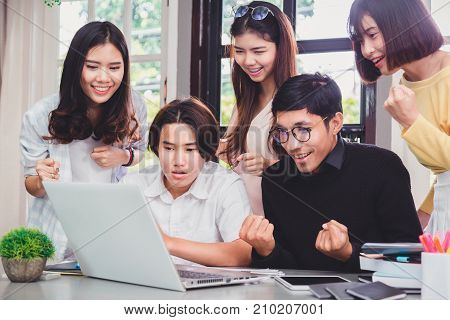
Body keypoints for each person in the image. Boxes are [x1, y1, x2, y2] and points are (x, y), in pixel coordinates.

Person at [239, 73, 422, 272]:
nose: (291, 145)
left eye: (303, 130)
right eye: (282, 132)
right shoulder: (275, 178)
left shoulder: (382, 167)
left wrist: (350, 253)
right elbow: (288, 270)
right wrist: (266, 250)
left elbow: (411, 258)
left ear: (335, 123)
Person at [20, 21, 148, 261]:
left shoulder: (134, 106)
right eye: (92, 66)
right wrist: (42, 179)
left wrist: (124, 156)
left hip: (110, 232)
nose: (103, 78)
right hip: (56, 234)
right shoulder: (41, 114)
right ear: (76, 66)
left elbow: (140, 152)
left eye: (114, 67)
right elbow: (31, 185)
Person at [348, 0, 450, 234]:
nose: (366, 50)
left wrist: (411, 121)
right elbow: (445, 174)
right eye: (361, 40)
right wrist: (422, 221)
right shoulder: (406, 87)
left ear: (402, 22)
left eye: (372, 34)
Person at [121, 98, 251, 267]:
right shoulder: (132, 186)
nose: (178, 161)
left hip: (209, 291)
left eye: (190, 149)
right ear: (156, 147)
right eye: (169, 148)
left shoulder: (226, 185)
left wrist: (168, 243)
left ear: (205, 151)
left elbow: (242, 254)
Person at [218, 1, 298, 215]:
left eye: (258, 51)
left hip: (280, 221)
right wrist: (224, 150)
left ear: (281, 48)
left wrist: (269, 165)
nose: (248, 61)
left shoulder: (297, 100)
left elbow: (314, 170)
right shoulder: (245, 100)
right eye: (240, 51)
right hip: (241, 220)